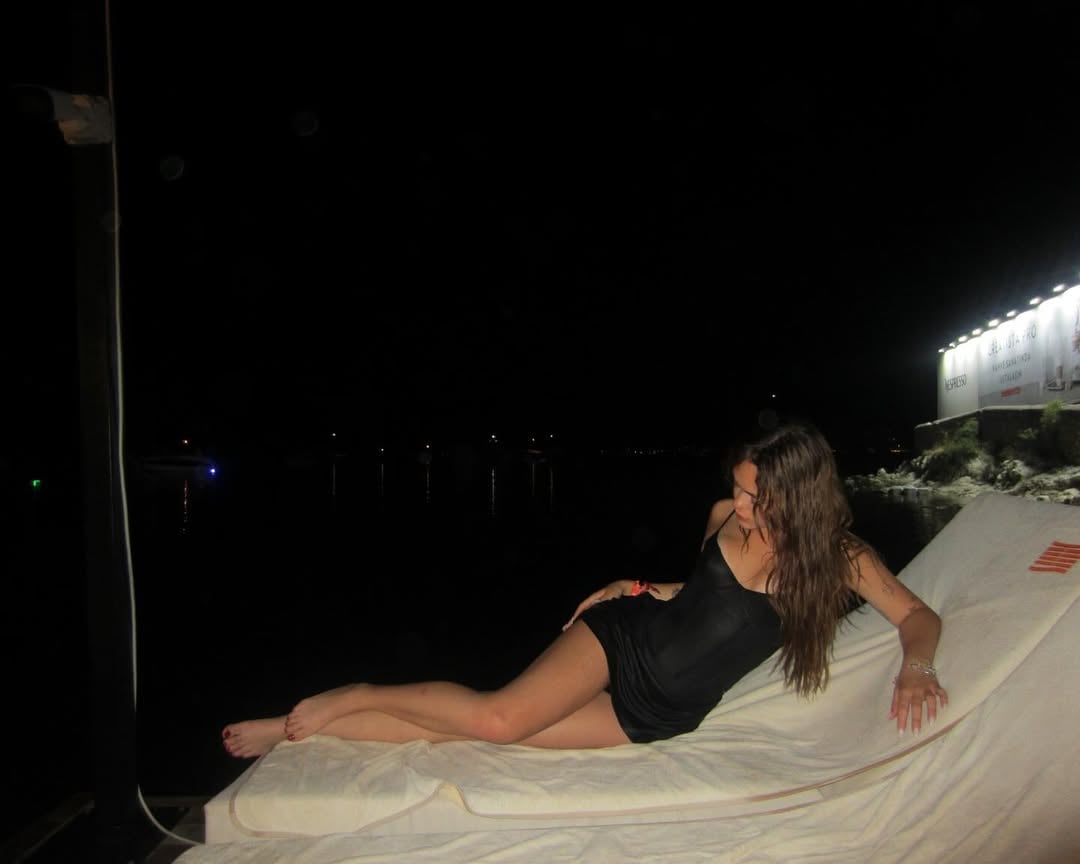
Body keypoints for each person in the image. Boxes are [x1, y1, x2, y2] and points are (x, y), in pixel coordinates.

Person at [222, 423, 948, 758]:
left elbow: (918, 617)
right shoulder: (725, 518)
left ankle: (294, 732)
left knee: (472, 735)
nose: (740, 505)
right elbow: (702, 593)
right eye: (737, 488)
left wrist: (917, 667)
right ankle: (353, 693)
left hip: (663, 712)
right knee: (498, 719)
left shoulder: (842, 559)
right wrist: (637, 586)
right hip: (622, 641)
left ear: (800, 494)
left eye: (755, 495)